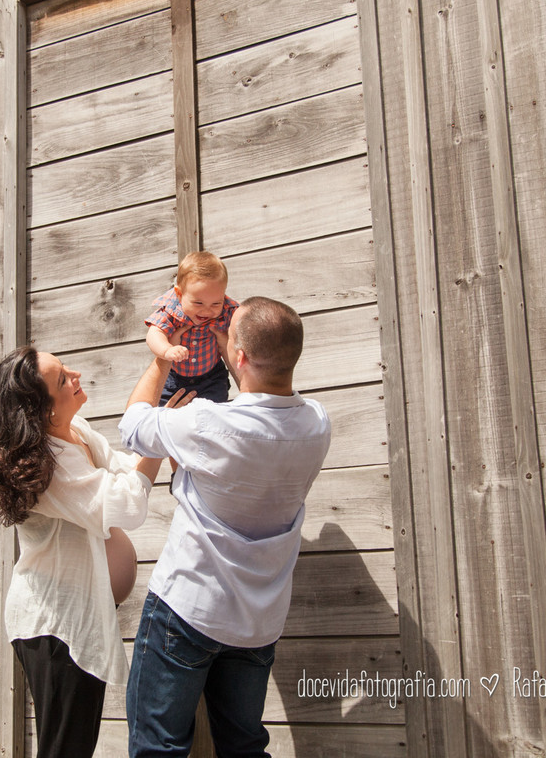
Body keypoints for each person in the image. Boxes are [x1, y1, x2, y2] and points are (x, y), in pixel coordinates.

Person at [120, 297, 332, 757]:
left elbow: (133, 427)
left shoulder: (207, 422)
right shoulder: (317, 424)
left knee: (158, 749)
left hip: (188, 607)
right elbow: (261, 410)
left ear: (238, 357)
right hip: (258, 622)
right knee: (244, 748)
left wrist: (163, 358)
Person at [0, 346, 173, 758]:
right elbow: (127, 503)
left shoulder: (77, 431)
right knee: (66, 750)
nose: (76, 374)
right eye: (62, 378)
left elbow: (124, 470)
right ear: (40, 409)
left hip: (77, 621)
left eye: (66, 367)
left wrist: (160, 431)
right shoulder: (47, 469)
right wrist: (159, 438)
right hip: (55, 627)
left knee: (74, 747)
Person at [145, 251, 239, 405]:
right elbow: (154, 334)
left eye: (216, 303)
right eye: (198, 303)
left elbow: (243, 323)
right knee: (164, 414)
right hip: (174, 379)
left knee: (212, 415)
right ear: (179, 294)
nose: (207, 311)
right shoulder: (172, 310)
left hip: (211, 378)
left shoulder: (227, 311)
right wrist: (167, 350)